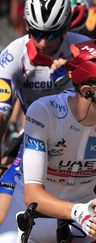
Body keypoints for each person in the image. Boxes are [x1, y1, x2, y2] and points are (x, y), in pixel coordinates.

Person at [0, 39, 96, 242]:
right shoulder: (44, 112)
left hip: (86, 211)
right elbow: (33, 195)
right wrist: (77, 212)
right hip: (33, 213)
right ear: (87, 92)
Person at [0, 0, 89, 224]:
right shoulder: (13, 54)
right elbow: (1, 113)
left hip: (80, 142)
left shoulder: (84, 49)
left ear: (66, 27)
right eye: (36, 32)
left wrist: (72, 83)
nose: (41, 42)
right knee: (2, 213)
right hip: (34, 139)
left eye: (51, 35)